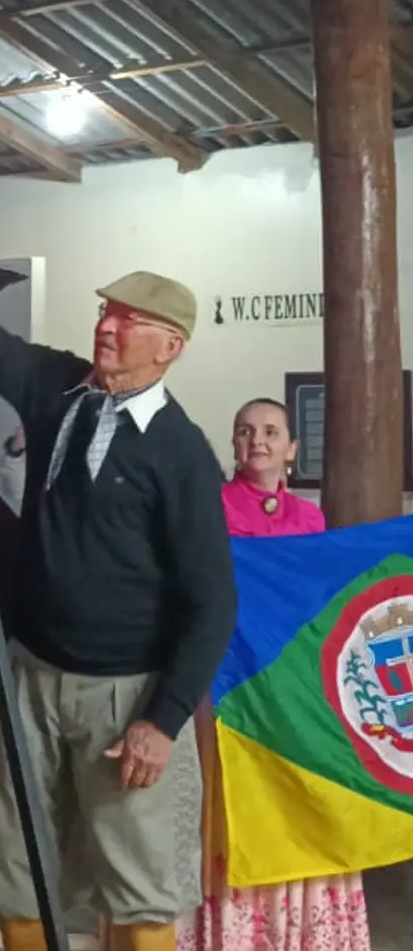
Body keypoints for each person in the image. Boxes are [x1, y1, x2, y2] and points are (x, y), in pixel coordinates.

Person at [0, 246, 236, 951]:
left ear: (170, 347)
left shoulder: (182, 454)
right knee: (16, 869)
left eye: (130, 318)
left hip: (127, 696)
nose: (108, 326)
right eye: (106, 311)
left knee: (139, 885)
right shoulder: (58, 389)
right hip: (33, 678)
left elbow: (212, 601)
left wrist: (163, 718)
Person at [179, 398, 367, 951]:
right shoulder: (208, 510)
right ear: (233, 446)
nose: (256, 440)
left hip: (287, 688)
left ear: (291, 449)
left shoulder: (311, 521)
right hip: (224, 682)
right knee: (228, 802)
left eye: (269, 431)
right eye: (244, 431)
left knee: (288, 801)